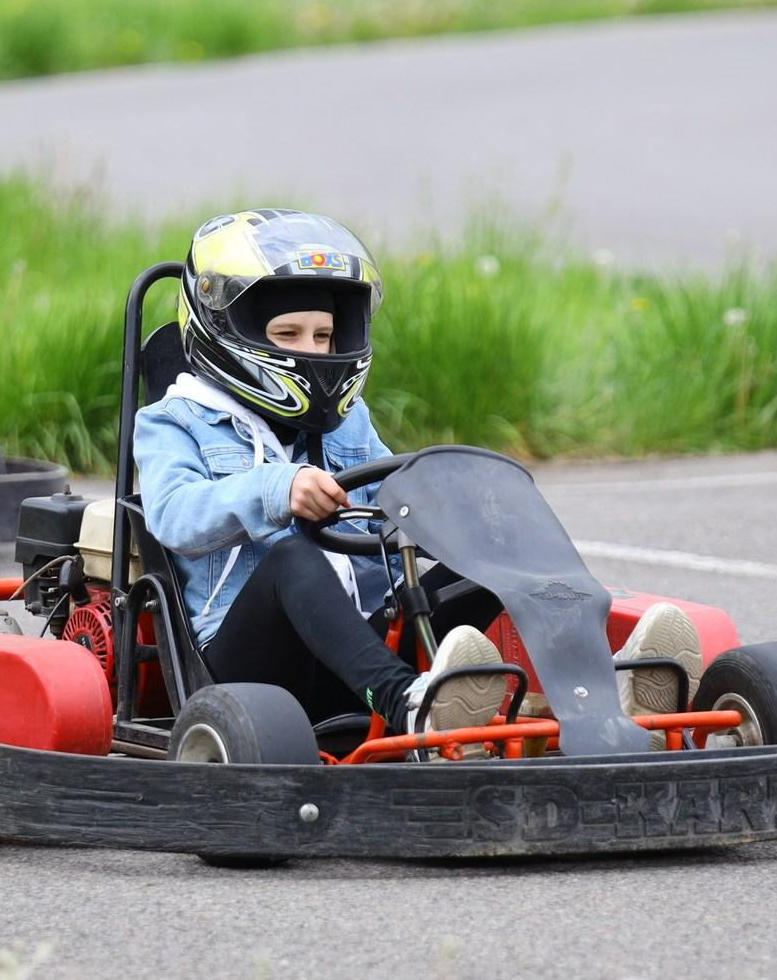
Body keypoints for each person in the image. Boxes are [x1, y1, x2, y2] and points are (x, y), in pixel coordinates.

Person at [133, 209, 702, 740]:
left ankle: (599, 698)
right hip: (252, 670)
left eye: (324, 336)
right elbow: (173, 515)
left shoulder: (345, 423)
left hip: (357, 652)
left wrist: (459, 514)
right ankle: (412, 702)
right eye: (288, 335)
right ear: (226, 332)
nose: (311, 351)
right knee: (291, 559)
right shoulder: (172, 421)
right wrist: (276, 490)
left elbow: (393, 500)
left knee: (488, 554)